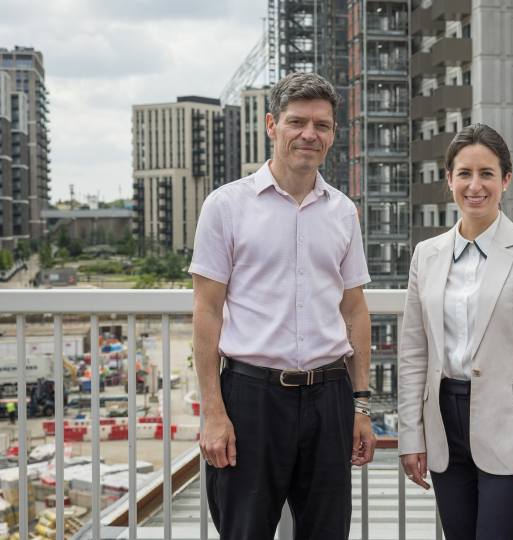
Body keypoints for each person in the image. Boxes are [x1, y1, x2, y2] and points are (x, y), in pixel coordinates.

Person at [190, 72, 376, 540]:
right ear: (271, 125)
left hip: (329, 396)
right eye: (297, 122)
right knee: (244, 531)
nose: (309, 134)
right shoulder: (226, 206)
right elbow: (207, 312)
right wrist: (214, 411)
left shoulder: (342, 212)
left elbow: (355, 311)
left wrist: (361, 406)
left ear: (333, 134)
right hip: (251, 399)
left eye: (322, 125)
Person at [397, 124, 513, 540]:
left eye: (487, 173)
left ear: (505, 180)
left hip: (511, 427)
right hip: (443, 421)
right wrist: (409, 436)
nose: (475, 186)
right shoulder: (427, 254)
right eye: (465, 174)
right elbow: (413, 351)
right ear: (449, 180)